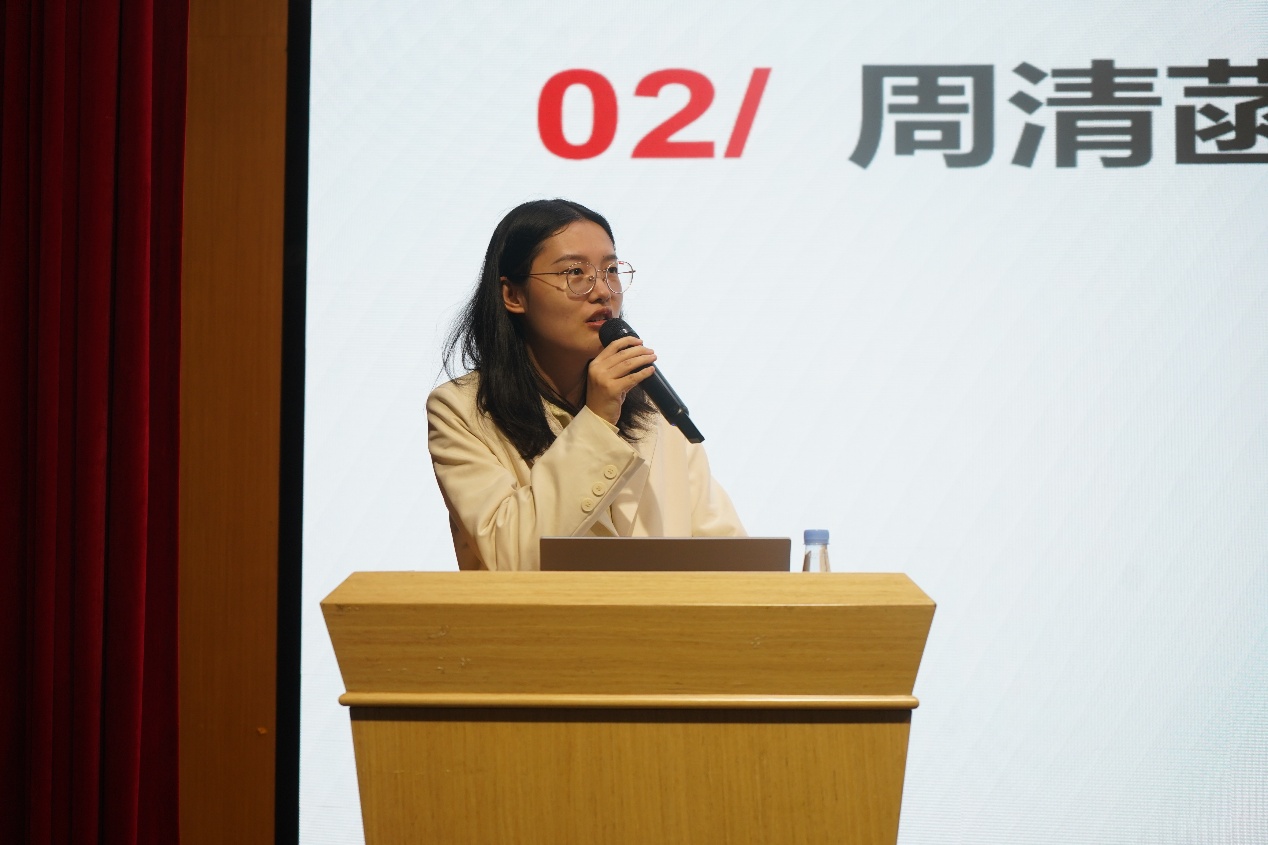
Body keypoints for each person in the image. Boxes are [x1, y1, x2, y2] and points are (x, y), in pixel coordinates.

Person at [428, 199, 744, 570]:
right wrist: (597, 418)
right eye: (575, 272)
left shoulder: (655, 409)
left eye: (610, 270)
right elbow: (513, 554)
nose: (602, 291)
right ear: (513, 295)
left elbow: (727, 557)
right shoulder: (461, 410)